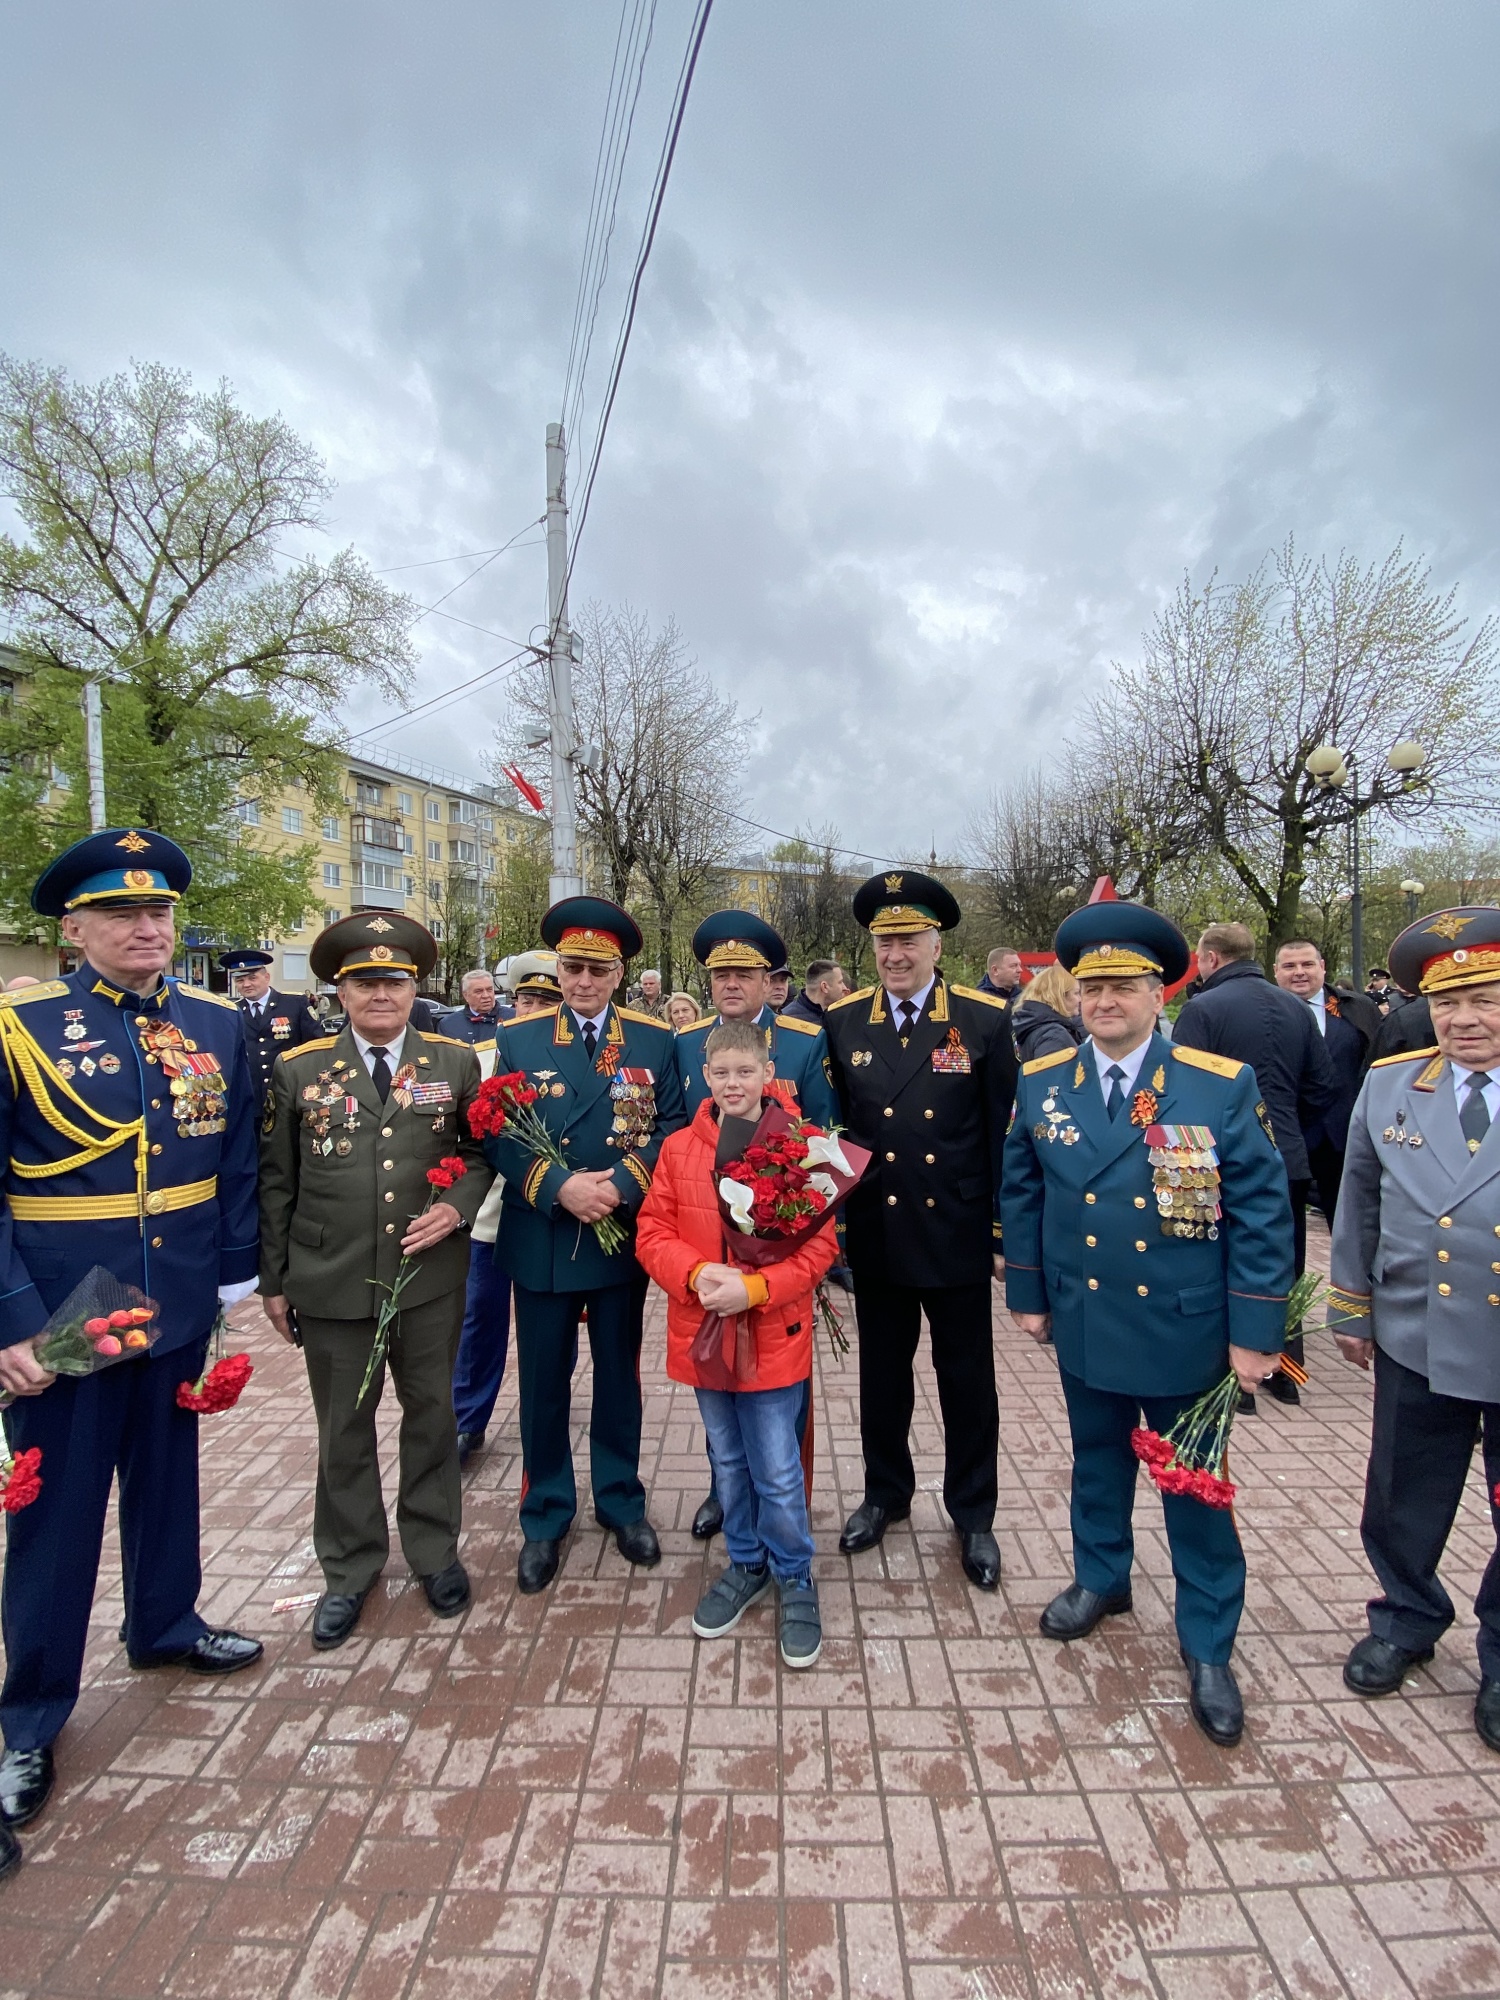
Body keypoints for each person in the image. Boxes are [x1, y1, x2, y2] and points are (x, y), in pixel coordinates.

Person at [0, 829, 263, 1840]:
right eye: (120, 912)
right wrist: (12, 1317)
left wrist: (236, 1278)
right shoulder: (25, 1027)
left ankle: (162, 1622)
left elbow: (234, 1155)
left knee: (167, 1476)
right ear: (73, 927)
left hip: (178, 1293)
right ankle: (30, 1713)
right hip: (67, 1307)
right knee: (56, 1513)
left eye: (158, 912)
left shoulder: (216, 1024)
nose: (147, 926)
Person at [1004, 903, 1293, 1745]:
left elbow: (1265, 1215)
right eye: (1092, 987)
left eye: (1124, 986)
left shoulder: (1215, 1083)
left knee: (1194, 1490)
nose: (1105, 1001)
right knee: (1096, 1464)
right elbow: (1022, 1185)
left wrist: (1257, 1331)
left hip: (1184, 1327)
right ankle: (1103, 1578)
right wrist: (1027, 1289)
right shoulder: (1042, 1081)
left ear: (1160, 992)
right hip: (1087, 1317)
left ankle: (1208, 1643)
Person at [258, 913, 490, 1650]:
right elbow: (276, 1181)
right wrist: (273, 1280)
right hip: (330, 1278)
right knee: (343, 1431)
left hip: (427, 1279)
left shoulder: (454, 1063)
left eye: (393, 981)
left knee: (431, 1419)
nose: (380, 994)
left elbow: (481, 1155)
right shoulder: (299, 1070)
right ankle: (351, 1568)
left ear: (415, 986)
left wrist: (455, 1210)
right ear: (340, 991)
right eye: (365, 983)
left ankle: (432, 1550)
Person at [1329, 906, 1500, 1754]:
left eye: (1485, 999)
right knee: (1401, 1491)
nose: (1464, 1020)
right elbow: (1359, 1198)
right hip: (1417, 1330)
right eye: (1448, 1003)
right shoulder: (1394, 1083)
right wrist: (1350, 1305)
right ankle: (1405, 1615)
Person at [484, 897, 686, 1594]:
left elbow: (673, 1127)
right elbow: (496, 1129)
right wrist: (558, 1186)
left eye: (598, 970)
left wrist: (623, 1186)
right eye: (572, 968)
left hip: (618, 1238)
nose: (583, 982)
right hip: (543, 1233)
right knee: (542, 1386)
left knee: (617, 1380)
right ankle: (545, 1517)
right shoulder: (521, 1038)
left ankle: (620, 1502)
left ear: (619, 973)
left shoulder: (654, 1041)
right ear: (558, 971)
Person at [822, 870, 1017, 1590]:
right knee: (882, 1378)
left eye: (908, 940)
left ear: (937, 943)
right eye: (883, 941)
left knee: (967, 1382)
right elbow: (833, 1134)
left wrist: (1000, 1234)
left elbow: (1004, 1134)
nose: (895, 954)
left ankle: (973, 1513)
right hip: (880, 1228)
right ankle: (885, 1494)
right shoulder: (843, 1022)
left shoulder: (983, 1019)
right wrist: (825, 1229)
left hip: (958, 1229)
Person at [636, 1018, 838, 1668]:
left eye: (743, 1072)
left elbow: (820, 1247)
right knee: (727, 1464)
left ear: (766, 1073)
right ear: (704, 1073)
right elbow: (652, 1232)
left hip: (772, 1332)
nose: (731, 1083)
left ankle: (794, 1575)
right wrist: (697, 1276)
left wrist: (756, 1289)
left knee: (778, 1471)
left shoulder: (803, 1145)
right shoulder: (677, 1150)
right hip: (705, 1333)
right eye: (719, 1072)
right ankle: (746, 1563)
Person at [673, 912, 838, 1540]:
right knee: (716, 1381)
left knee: (778, 1393)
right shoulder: (686, 1046)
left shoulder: (800, 1040)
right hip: (708, 1257)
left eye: (744, 973)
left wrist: (809, 1240)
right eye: (720, 974)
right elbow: (673, 1135)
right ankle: (725, 1492)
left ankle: (786, 1498)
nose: (731, 985)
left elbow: (825, 1143)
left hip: (781, 1253)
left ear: (767, 977)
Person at [1172, 922, 1337, 1412]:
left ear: (1211, 959)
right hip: (1287, 1156)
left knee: (1217, 1263)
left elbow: (1181, 1088)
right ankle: (1284, 1373)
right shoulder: (1296, 1008)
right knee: (1281, 1264)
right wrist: (1286, 1130)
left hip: (1216, 1161)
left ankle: (1230, 1384)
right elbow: (1323, 1084)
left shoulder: (1202, 1008)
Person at [451, 951, 561, 1464]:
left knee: (556, 1324)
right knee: (479, 1319)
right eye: (527, 998)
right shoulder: (484, 1057)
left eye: (546, 1000)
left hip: (550, 1217)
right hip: (491, 1217)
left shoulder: (572, 1056)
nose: (534, 1007)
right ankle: (467, 1418)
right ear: (511, 1003)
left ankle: (551, 1402)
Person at [220, 947, 322, 1109]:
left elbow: (316, 1047)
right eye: (240, 980)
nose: (246, 984)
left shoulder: (295, 1004)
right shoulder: (231, 1011)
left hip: (289, 1096)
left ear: (266, 977)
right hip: (250, 1101)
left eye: (252, 978)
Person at [1009, 961, 1083, 1065]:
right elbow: (1051, 1079)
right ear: (1060, 996)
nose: (1080, 999)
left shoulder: (1028, 1022)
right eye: (1076, 993)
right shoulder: (1053, 1036)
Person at [441, 968, 512, 1044]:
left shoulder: (513, 1018)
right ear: (466, 995)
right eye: (478, 991)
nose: (486, 995)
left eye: (489, 990)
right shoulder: (449, 1024)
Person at [780, 959, 849, 1025]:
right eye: (840, 982)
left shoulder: (837, 1015)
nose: (844, 988)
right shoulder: (787, 1022)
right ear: (824, 987)